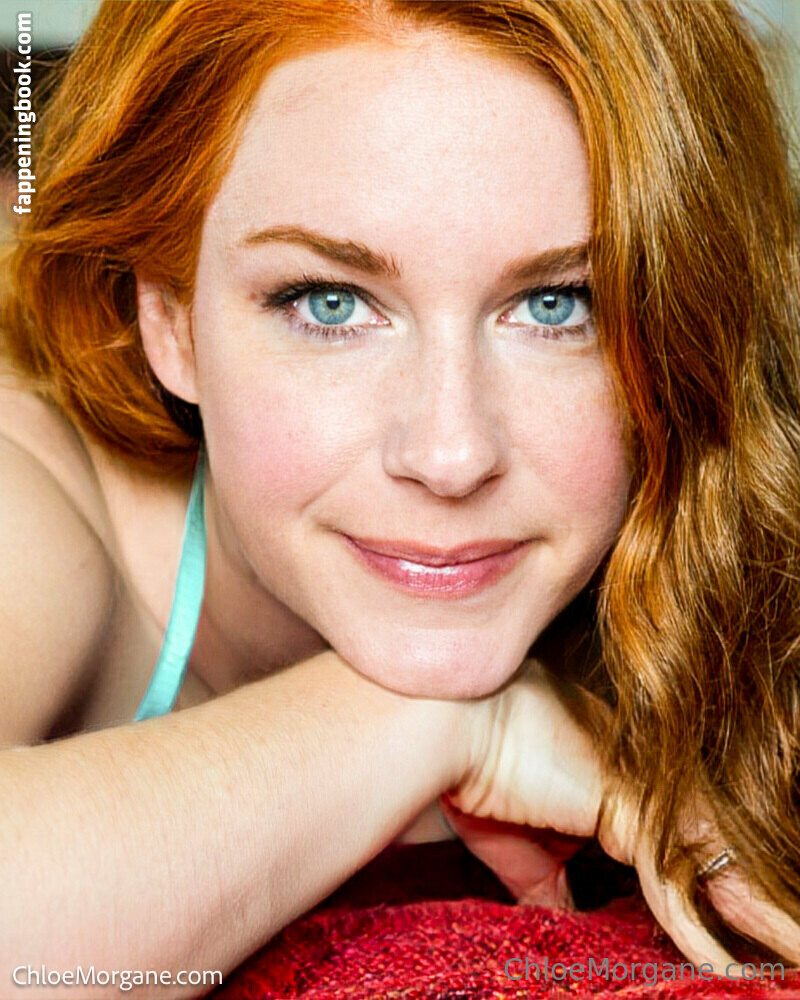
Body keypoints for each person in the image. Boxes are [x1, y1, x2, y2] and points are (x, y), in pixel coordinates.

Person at [0, 0, 798, 992]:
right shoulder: (30, 512)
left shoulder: (710, 544)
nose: (450, 456)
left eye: (559, 305)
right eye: (328, 303)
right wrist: (444, 725)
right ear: (170, 320)